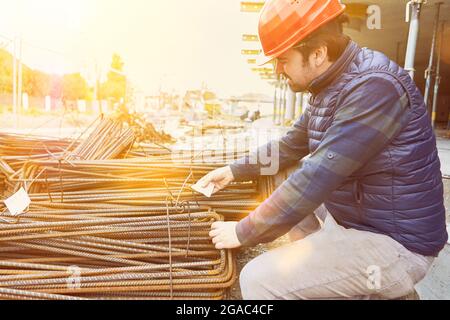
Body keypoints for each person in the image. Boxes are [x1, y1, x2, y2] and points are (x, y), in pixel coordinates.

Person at [197, 0, 448, 300]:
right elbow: (290, 146)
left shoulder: (375, 88)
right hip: (359, 221)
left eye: (282, 59)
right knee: (283, 168)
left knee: (258, 280)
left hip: (396, 243)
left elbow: (318, 174)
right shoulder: (329, 88)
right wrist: (233, 170)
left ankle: (373, 283)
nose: (278, 69)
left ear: (317, 53)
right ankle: (328, 274)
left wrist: (242, 231)